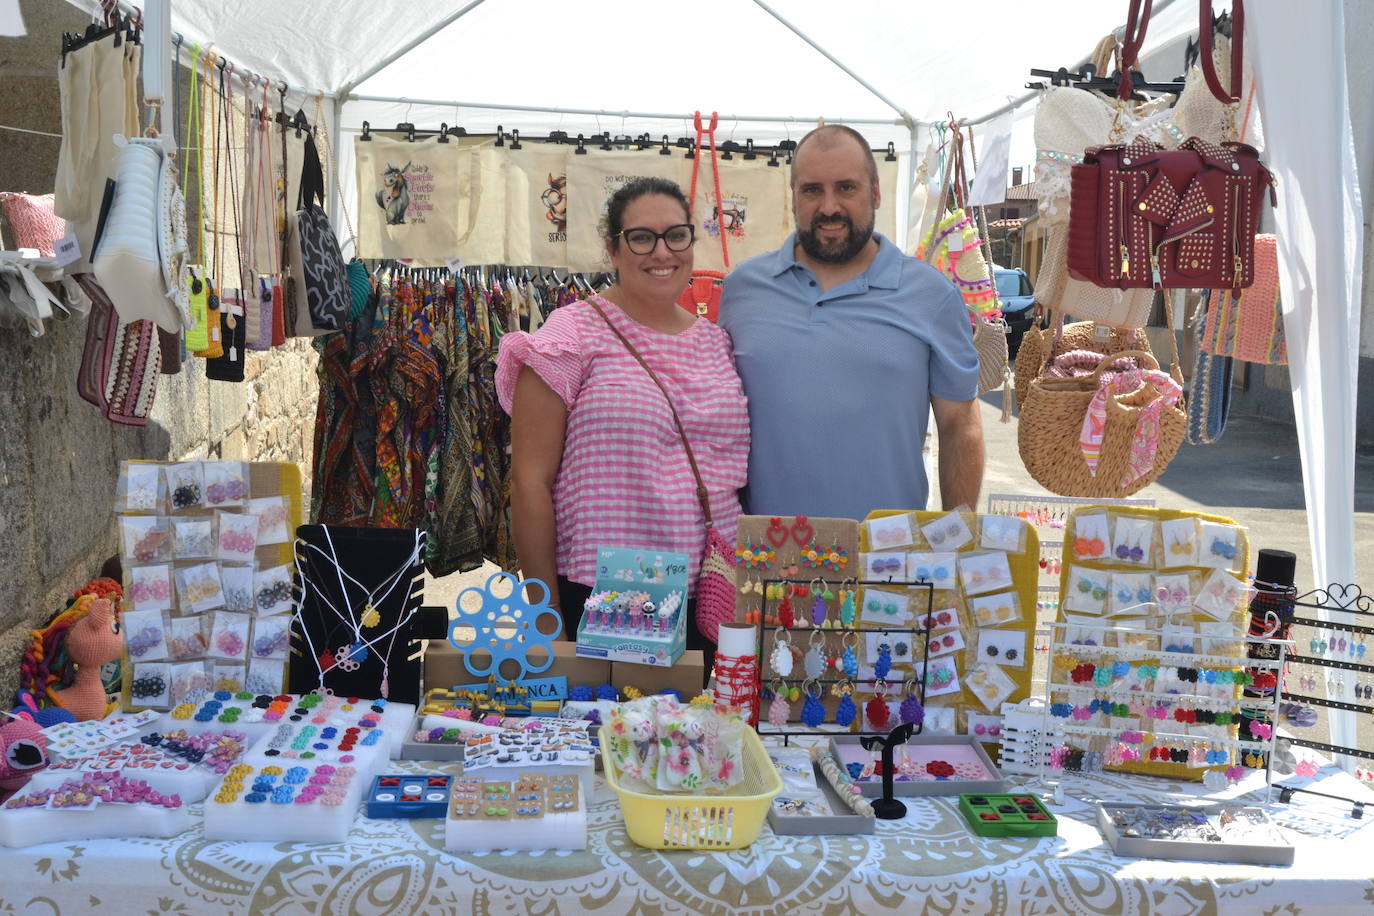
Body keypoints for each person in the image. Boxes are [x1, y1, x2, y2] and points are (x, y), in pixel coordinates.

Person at [496, 177, 749, 649]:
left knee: (709, 724)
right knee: (616, 723)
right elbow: (529, 482)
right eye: (641, 238)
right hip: (609, 594)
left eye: (676, 235)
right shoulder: (571, 334)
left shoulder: (718, 343)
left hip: (714, 592)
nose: (662, 252)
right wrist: (544, 621)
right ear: (613, 250)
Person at [718, 124, 984, 519]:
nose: (829, 207)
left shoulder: (931, 294)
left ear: (875, 191)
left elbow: (960, 426)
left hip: (886, 559)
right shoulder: (743, 289)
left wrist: (956, 540)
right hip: (765, 558)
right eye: (812, 190)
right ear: (793, 196)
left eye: (846, 188)